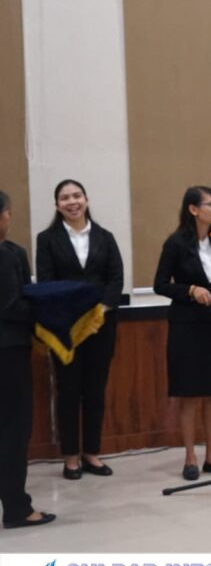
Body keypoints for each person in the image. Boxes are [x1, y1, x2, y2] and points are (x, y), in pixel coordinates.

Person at [36, 179, 123, 480]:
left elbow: (116, 278)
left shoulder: (105, 237)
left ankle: (92, 454)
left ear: (86, 200)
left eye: (77, 196)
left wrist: (102, 309)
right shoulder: (47, 239)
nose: (72, 202)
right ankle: (71, 457)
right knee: (68, 392)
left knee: (95, 391)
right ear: (57, 205)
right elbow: (46, 281)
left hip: (101, 325)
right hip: (66, 328)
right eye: (65, 198)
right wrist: (72, 314)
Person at [154, 186, 211, 480]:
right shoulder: (176, 243)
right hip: (186, 327)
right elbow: (160, 284)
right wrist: (190, 289)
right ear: (193, 209)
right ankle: (190, 457)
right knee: (189, 394)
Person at [0, 191, 57, 529]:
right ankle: (17, 508)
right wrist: (49, 309)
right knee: (13, 429)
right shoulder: (6, 255)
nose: (10, 218)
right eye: (8, 212)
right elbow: (11, 305)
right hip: (7, 352)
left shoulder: (12, 251)